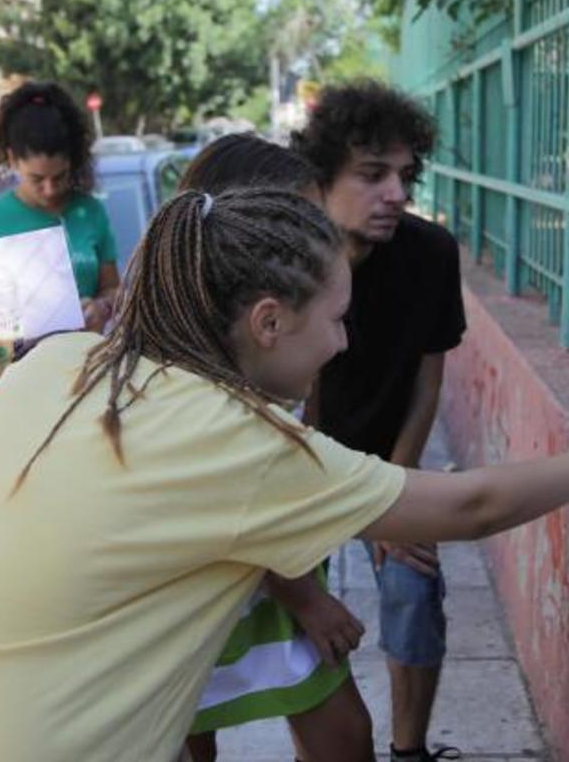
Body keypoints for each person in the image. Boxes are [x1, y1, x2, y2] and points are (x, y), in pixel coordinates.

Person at [0, 187, 569, 762]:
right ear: (271, 322)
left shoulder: (66, 363)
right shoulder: (239, 443)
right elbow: (465, 505)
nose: (347, 342)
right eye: (338, 320)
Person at [177, 134, 374, 762]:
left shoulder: (287, 327)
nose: (313, 239)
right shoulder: (190, 362)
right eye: (296, 222)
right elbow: (224, 503)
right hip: (212, 581)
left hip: (281, 561)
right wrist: (307, 599)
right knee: (187, 735)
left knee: (343, 735)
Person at [292, 80, 462, 762]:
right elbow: (290, 408)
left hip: (385, 456)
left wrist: (395, 494)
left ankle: (410, 750)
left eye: (405, 175)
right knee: (288, 619)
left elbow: (428, 379)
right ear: (323, 178)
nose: (396, 192)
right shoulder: (286, 258)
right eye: (372, 174)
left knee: (414, 578)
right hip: (295, 465)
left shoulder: (431, 253)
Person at [0, 80, 119, 332]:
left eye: (59, 176)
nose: (50, 189)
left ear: (72, 160)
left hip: (84, 362)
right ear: (12, 159)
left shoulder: (90, 211)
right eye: (36, 179)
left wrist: (102, 307)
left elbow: (113, 289)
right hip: (15, 368)